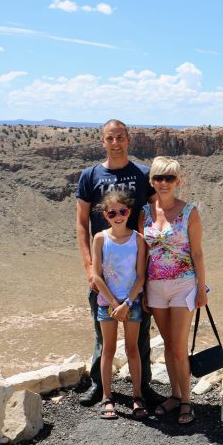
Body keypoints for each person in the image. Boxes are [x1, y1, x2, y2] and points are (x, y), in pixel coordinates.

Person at [75, 119, 157, 406]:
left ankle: (142, 387)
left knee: (140, 333)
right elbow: (82, 224)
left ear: (128, 139)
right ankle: (100, 386)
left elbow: (155, 217)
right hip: (104, 270)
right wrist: (89, 266)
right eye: (110, 138)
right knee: (103, 333)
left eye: (120, 137)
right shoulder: (90, 175)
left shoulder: (144, 174)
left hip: (135, 269)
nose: (115, 143)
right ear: (103, 141)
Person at [140, 156, 207, 424]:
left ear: (178, 181)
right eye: (158, 178)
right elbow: (142, 253)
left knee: (179, 347)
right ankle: (175, 394)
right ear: (152, 181)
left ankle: (187, 401)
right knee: (168, 345)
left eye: (169, 178)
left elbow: (198, 253)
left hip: (183, 285)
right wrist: (142, 289)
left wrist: (201, 288)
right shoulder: (144, 213)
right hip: (155, 286)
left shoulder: (189, 212)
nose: (164, 183)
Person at [91, 190, 148, 419]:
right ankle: (107, 397)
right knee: (108, 349)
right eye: (112, 212)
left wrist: (126, 303)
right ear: (105, 215)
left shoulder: (138, 240)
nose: (118, 216)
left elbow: (141, 276)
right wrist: (115, 304)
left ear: (129, 212)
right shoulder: (100, 238)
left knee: (133, 349)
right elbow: (96, 276)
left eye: (122, 211)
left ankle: (137, 396)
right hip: (108, 303)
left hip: (130, 303)